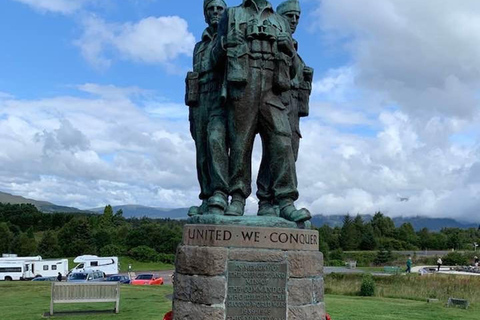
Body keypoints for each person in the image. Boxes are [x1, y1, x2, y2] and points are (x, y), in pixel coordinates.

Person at [212, 0, 311, 222]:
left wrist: (290, 51)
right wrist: (225, 44)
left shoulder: (280, 22)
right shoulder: (232, 14)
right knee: (240, 143)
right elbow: (213, 59)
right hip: (243, 84)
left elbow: (296, 70)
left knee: (282, 140)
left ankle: (283, 200)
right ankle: (237, 198)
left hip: (272, 89)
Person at [256, 0, 314, 217]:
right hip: (272, 103)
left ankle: (273, 202)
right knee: (276, 150)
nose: (294, 20)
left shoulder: (295, 51)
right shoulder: (272, 44)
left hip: (293, 112)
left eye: (297, 16)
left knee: (287, 155)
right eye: (290, 15)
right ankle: (266, 199)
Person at [186, 0, 229, 216]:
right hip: (199, 99)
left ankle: (221, 194)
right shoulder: (199, 46)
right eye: (210, 9)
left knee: (215, 141)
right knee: (202, 152)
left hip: (219, 98)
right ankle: (206, 198)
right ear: (205, 14)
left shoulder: (228, 38)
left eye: (219, 9)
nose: (214, 12)